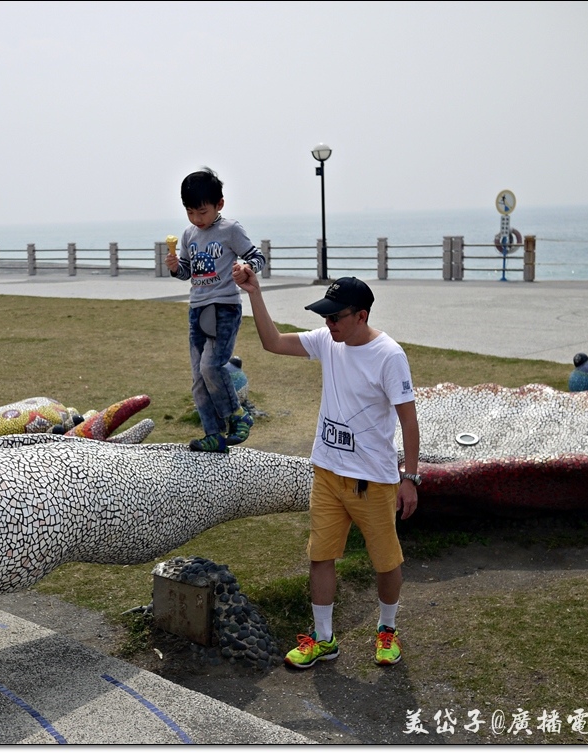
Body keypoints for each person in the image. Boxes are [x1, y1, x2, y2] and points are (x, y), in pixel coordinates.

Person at [231, 266, 420, 667]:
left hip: (374, 481)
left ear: (361, 316)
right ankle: (324, 639)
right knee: (321, 555)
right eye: (325, 316)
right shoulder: (327, 342)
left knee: (386, 561)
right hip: (327, 473)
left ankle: (387, 630)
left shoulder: (389, 356)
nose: (328, 323)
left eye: (335, 316)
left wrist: (411, 479)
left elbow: (408, 420)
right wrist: (255, 293)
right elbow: (272, 342)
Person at [165, 167, 266, 453]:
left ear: (219, 204)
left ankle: (237, 414)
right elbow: (188, 272)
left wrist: (246, 267)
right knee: (198, 378)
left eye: (202, 212)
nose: (197, 219)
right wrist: (175, 269)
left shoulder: (230, 230)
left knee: (211, 366)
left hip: (224, 306)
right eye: (190, 212)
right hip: (196, 309)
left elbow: (258, 257)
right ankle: (214, 434)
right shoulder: (188, 234)